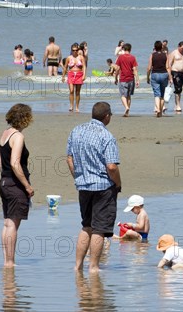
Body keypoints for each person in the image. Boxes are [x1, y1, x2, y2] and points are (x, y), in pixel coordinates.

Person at [67, 102, 121, 273]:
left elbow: (69, 158)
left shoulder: (76, 130)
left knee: (86, 226)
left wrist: (78, 176)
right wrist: (118, 183)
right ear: (107, 116)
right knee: (99, 229)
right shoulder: (106, 136)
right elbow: (111, 167)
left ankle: (77, 266)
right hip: (103, 186)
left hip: (84, 185)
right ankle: (94, 267)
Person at [0, 104, 34, 268]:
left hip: (4, 182)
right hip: (15, 184)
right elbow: (15, 163)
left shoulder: (4, 134)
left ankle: (7, 261)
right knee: (12, 224)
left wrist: (5, 177)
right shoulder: (18, 136)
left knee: (7, 223)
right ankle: (10, 262)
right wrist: (26, 185)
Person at [146, 40, 170, 117]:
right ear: (161, 47)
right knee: (162, 95)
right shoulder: (165, 55)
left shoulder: (152, 55)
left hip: (155, 74)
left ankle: (158, 109)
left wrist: (147, 77)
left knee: (157, 94)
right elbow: (168, 67)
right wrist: (170, 77)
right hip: (164, 74)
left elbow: (149, 68)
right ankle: (161, 109)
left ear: (155, 47)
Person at [114, 43, 139, 117]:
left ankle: (126, 107)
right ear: (130, 49)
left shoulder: (121, 57)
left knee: (122, 95)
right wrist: (137, 80)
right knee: (128, 96)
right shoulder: (133, 57)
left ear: (123, 49)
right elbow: (135, 69)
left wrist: (115, 78)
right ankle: (127, 111)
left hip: (123, 79)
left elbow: (118, 69)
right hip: (131, 79)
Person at [62, 44, 86, 112]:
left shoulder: (81, 57)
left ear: (78, 50)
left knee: (77, 92)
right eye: (73, 50)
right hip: (71, 74)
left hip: (79, 74)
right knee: (71, 91)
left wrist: (84, 75)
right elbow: (65, 67)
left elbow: (84, 66)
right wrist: (63, 76)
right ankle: (71, 106)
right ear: (71, 50)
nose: (75, 51)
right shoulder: (69, 58)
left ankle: (77, 107)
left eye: (76, 50)